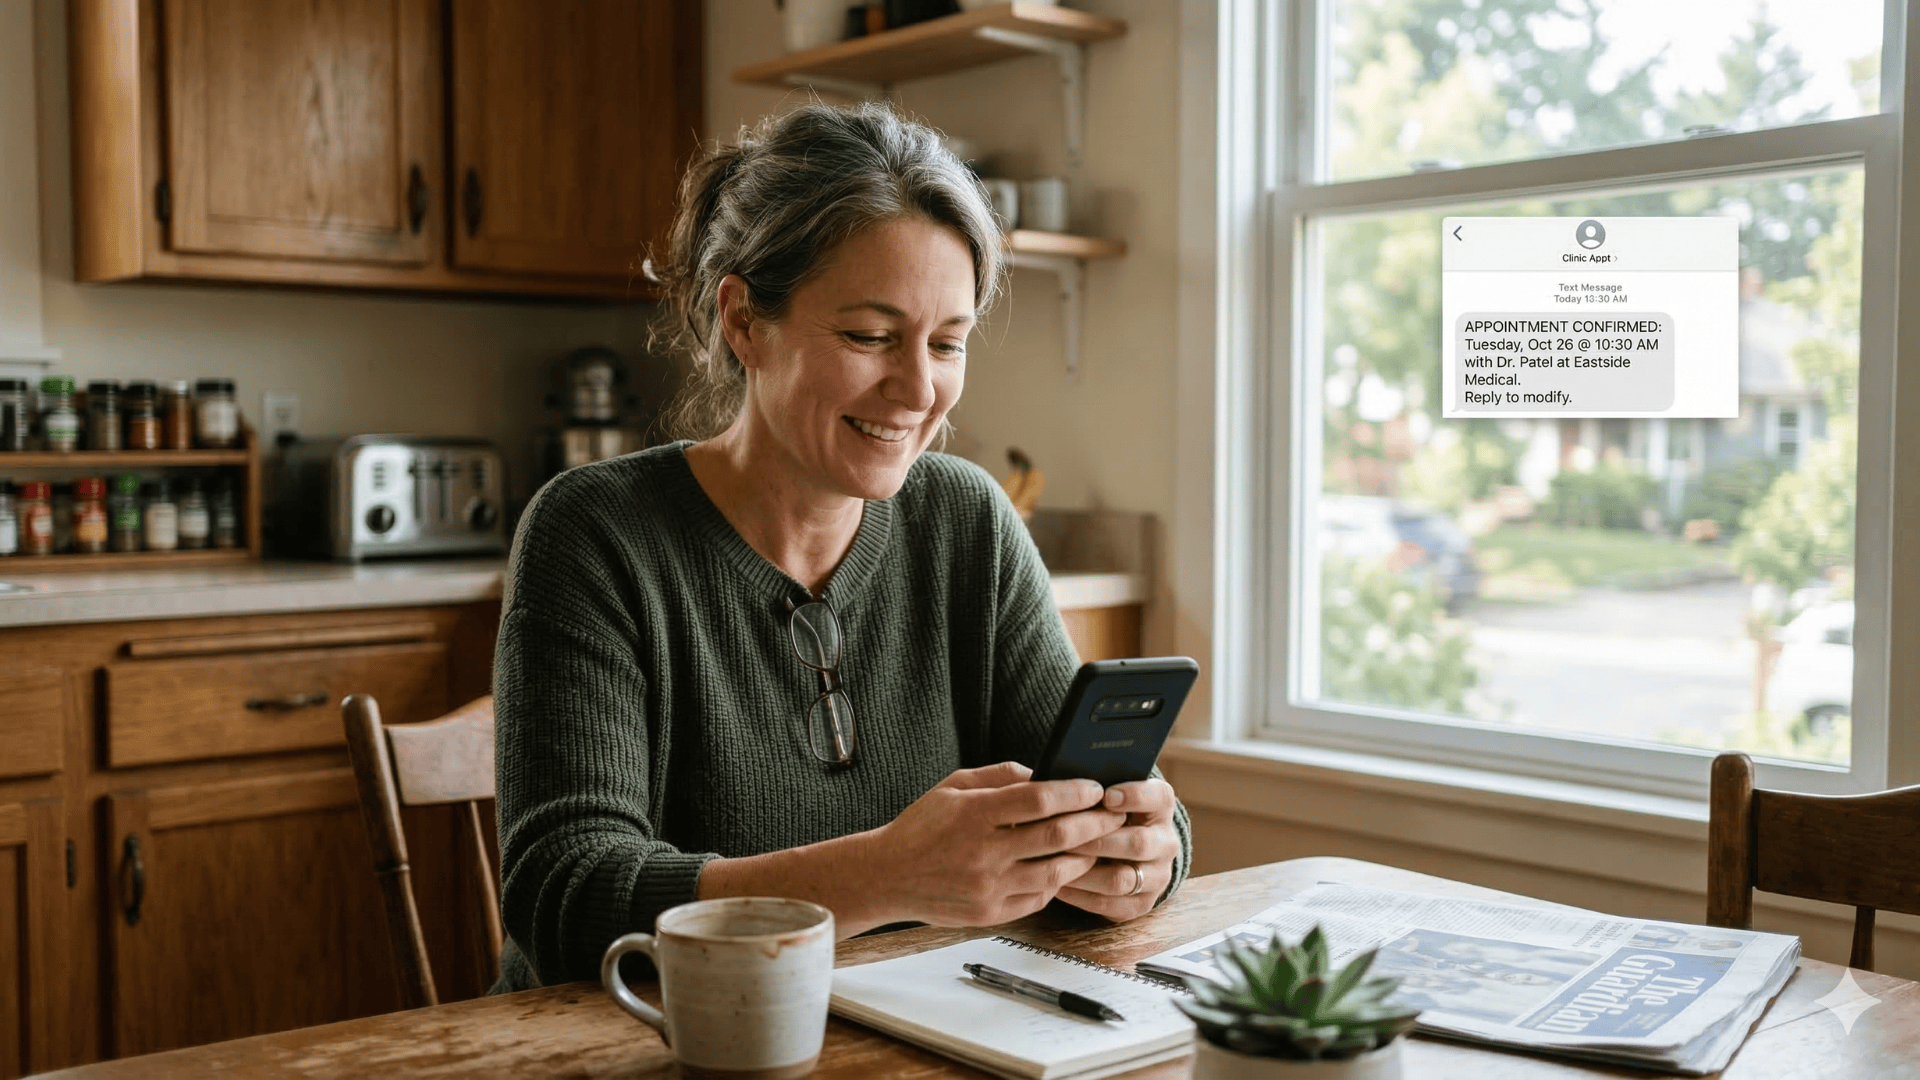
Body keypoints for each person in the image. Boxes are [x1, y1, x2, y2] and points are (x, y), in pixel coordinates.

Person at [491, 101, 1192, 991]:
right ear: (743, 320)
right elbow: (566, 900)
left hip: (905, 1030)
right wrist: (885, 874)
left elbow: (1129, 816)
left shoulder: (968, 522)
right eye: (870, 336)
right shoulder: (595, 533)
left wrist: (1143, 853)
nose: (917, 388)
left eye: (948, 343)